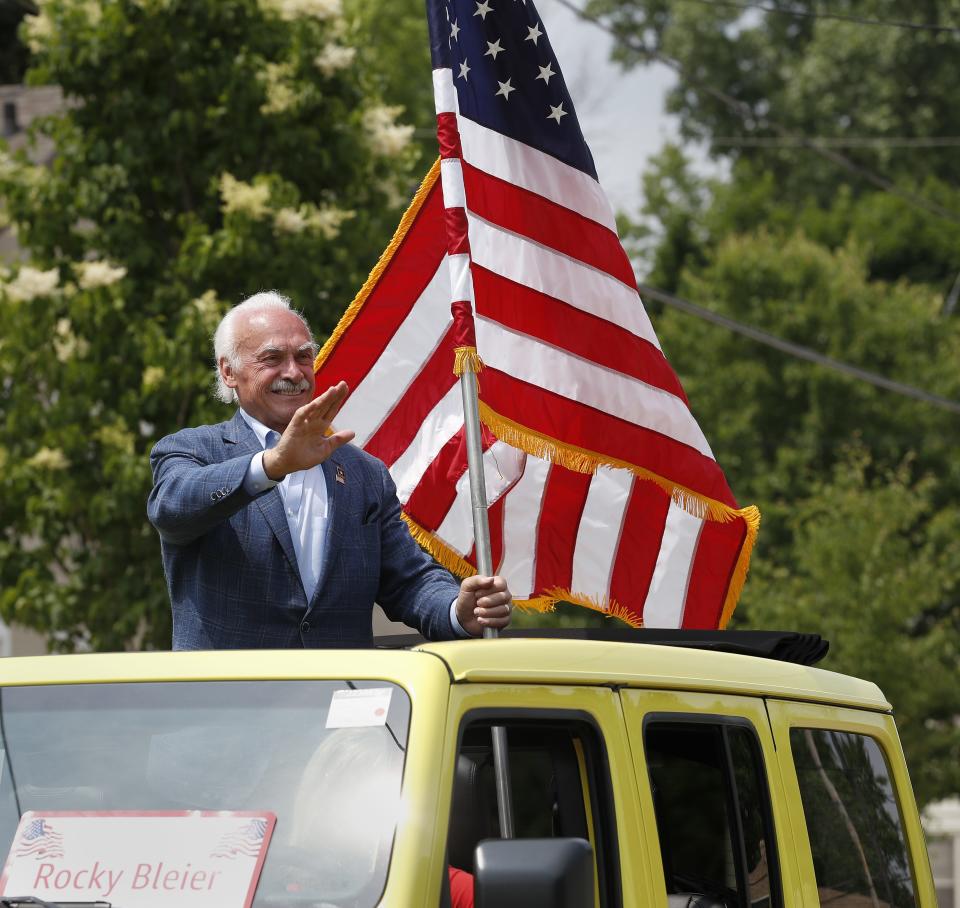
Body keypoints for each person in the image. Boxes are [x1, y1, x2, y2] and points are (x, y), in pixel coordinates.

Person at [147, 291, 512, 649]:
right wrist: (271, 465)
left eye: (304, 356)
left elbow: (409, 580)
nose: (293, 372)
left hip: (338, 699)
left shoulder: (363, 473)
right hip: (233, 702)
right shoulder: (192, 449)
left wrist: (457, 610)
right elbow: (173, 507)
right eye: (272, 358)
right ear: (229, 372)